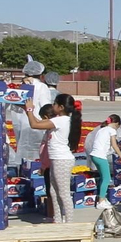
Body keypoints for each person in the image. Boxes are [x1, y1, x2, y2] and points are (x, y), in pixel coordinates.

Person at [22, 93, 82, 223]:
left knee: (63, 193)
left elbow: (34, 125)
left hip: (62, 159)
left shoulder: (61, 120)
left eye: (54, 104)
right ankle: (58, 219)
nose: (52, 106)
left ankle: (69, 223)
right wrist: (27, 110)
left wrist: (30, 110)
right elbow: (37, 122)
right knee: (53, 191)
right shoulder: (61, 119)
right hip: (57, 159)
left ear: (60, 107)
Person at [8, 56, 56, 167]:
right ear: (40, 74)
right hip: (35, 121)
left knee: (24, 150)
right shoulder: (41, 86)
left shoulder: (20, 86)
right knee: (37, 151)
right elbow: (45, 106)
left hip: (20, 121)